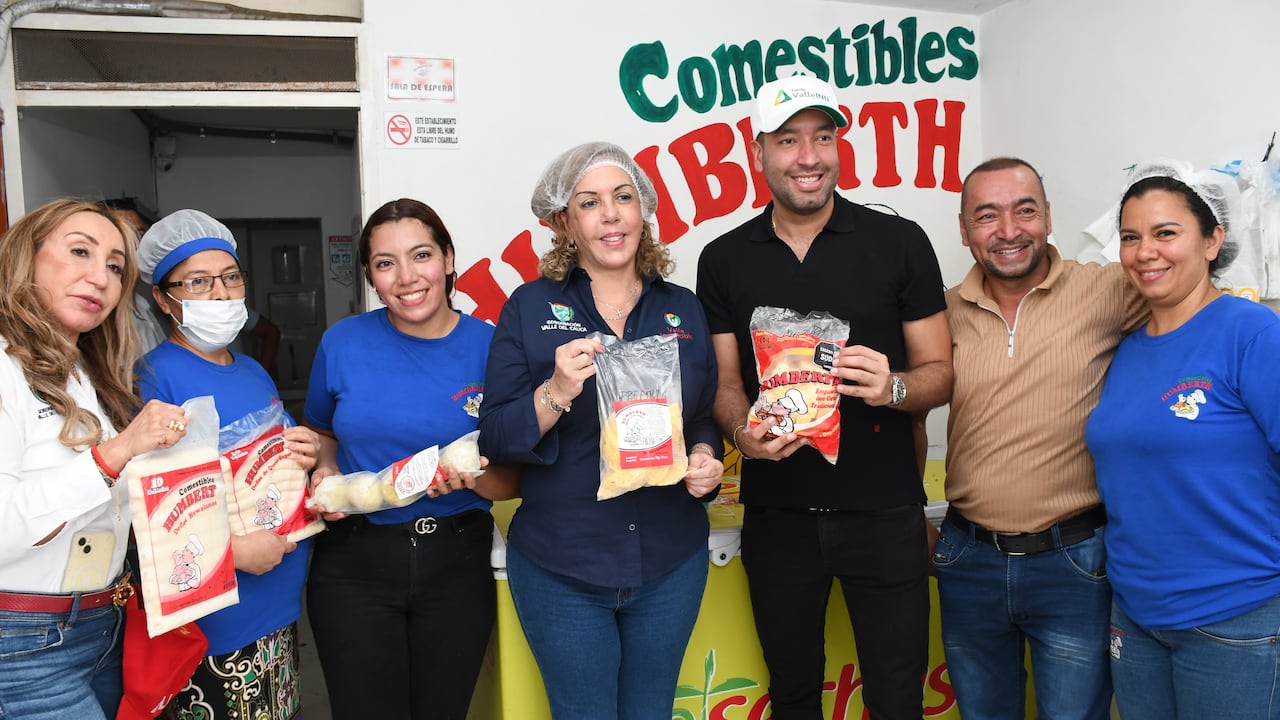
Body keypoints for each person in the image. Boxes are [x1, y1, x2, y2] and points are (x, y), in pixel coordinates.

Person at [695, 75, 952, 720]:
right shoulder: (724, 259)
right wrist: (741, 433)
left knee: (897, 698)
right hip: (778, 517)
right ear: (759, 153)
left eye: (822, 137)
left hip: (885, 513)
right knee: (794, 697)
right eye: (789, 140)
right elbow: (726, 387)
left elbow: (941, 373)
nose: (808, 157)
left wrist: (891, 387)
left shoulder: (899, 242)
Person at [478, 141, 723, 720]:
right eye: (590, 202)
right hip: (564, 565)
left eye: (623, 197)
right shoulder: (528, 307)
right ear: (565, 222)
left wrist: (708, 456)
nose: (611, 214)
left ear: (644, 211)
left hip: (670, 559)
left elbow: (704, 413)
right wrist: (556, 391)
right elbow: (495, 438)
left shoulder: (683, 308)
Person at [933, 157, 1146, 720]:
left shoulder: (1107, 290)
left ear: (1048, 217)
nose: (1008, 230)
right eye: (987, 215)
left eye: (1024, 210)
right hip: (966, 558)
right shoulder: (941, 311)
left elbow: (1191, 308)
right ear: (963, 229)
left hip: (1074, 561)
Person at [304, 198, 517, 720]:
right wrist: (326, 470)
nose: (405, 277)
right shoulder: (342, 343)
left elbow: (515, 477)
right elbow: (321, 432)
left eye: (420, 255)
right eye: (384, 263)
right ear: (371, 276)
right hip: (353, 562)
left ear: (447, 258)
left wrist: (472, 481)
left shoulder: (493, 348)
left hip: (457, 563)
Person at [1085, 160, 1280, 719]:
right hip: (1138, 613)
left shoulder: (1250, 332)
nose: (1146, 251)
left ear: (1212, 240)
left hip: (1235, 614)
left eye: (1166, 233)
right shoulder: (1126, 350)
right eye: (1130, 237)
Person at [0, 199, 189, 719]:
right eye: (79, 252)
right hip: (24, 642)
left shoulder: (86, 372)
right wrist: (115, 455)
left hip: (101, 626)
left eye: (113, 266)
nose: (100, 278)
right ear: (26, 258)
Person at [134, 208, 322, 720]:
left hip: (279, 605)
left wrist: (305, 458)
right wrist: (233, 552)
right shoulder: (156, 378)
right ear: (162, 297)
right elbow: (152, 514)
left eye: (231, 277)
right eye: (198, 282)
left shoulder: (254, 370)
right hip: (214, 620)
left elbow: (269, 465)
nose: (220, 294)